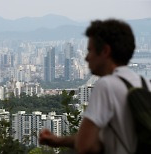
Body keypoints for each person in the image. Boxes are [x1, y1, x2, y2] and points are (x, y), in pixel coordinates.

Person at [39, 19, 151, 154]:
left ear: (105, 51)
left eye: (90, 50)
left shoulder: (106, 85)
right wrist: (58, 141)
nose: (86, 58)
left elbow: (85, 146)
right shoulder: (143, 82)